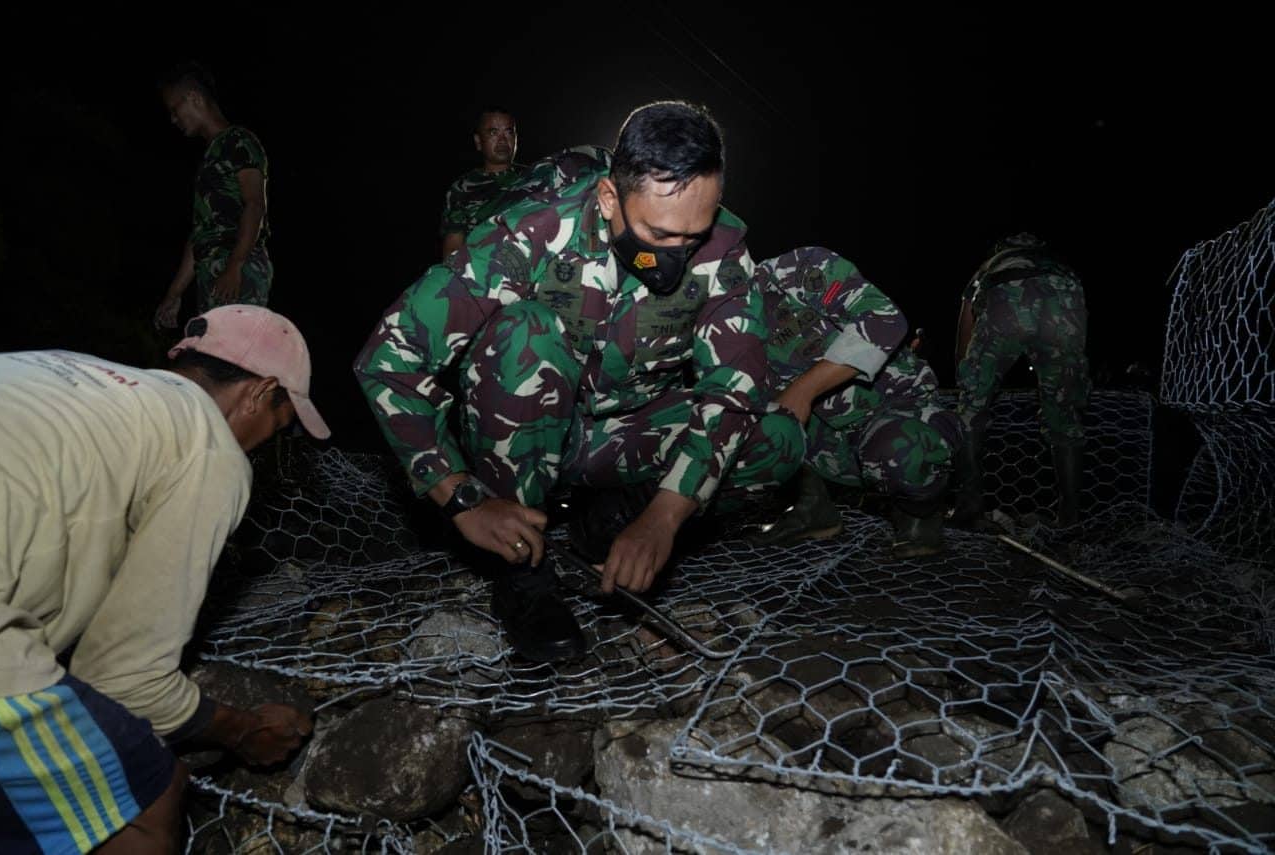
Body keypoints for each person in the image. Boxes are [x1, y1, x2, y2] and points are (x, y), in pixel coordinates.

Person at [356, 101, 803, 663]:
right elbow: (389, 355)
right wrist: (460, 496)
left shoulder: (724, 250)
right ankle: (522, 573)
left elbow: (732, 391)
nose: (675, 259)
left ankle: (610, 526)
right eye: (658, 235)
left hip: (627, 437)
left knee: (777, 440)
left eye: (692, 238)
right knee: (524, 330)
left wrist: (665, 516)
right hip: (526, 435)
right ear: (610, 198)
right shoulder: (534, 230)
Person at [0, 305, 329, 853]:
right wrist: (241, 729)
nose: (268, 442)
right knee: (146, 796)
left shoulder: (75, 376)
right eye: (279, 422)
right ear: (258, 392)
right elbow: (122, 678)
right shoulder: (208, 448)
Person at [750, 247, 962, 558]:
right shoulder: (716, 324)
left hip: (895, 407)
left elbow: (884, 321)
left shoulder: (794, 270)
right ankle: (813, 509)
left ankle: (921, 514)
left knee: (902, 450)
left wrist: (802, 391)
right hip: (828, 440)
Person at [952, 232, 1089, 526]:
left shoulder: (991, 265)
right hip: (1066, 295)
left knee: (970, 411)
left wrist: (966, 380)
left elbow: (966, 323)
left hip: (1006, 294)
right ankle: (1070, 517)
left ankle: (970, 507)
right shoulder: (1056, 264)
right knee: (1064, 411)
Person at [155, 62, 272, 329]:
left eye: (175, 110)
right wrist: (174, 295)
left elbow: (254, 204)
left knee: (234, 358)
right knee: (212, 358)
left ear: (194, 98)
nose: (173, 119)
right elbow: (200, 234)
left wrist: (235, 266)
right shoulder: (209, 159)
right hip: (212, 274)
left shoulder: (238, 140)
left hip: (237, 269)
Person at [439, 107, 524, 259]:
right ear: (478, 141)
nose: (503, 140)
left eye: (509, 132)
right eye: (493, 132)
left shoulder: (537, 176)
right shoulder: (462, 189)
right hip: (485, 274)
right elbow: (453, 249)